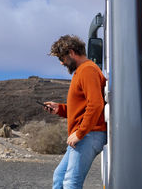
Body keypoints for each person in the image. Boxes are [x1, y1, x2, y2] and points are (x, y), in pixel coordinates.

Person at [44, 35, 107, 189]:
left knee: (71, 182)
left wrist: (80, 133)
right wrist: (60, 109)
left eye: (62, 57)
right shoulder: (82, 71)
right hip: (85, 134)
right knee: (59, 177)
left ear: (71, 53)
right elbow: (83, 107)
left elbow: (96, 104)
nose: (61, 62)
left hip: (89, 134)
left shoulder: (88, 70)